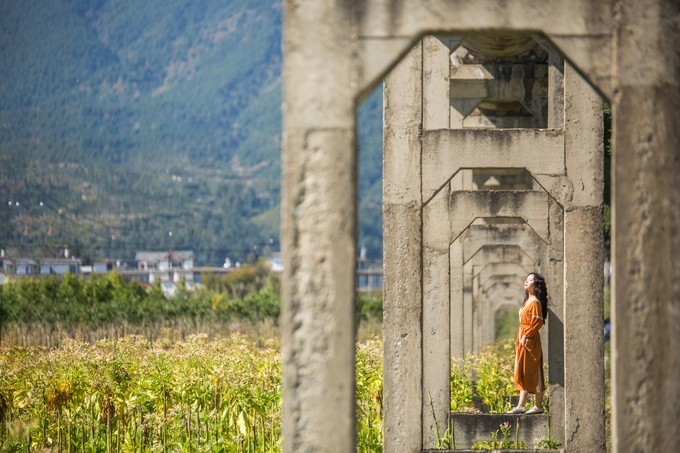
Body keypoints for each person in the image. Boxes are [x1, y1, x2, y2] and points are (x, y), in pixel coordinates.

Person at [507, 272, 548, 415]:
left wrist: (527, 335)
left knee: (533, 369)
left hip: (530, 341)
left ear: (535, 285)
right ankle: (521, 405)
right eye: (526, 279)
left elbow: (538, 321)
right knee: (523, 370)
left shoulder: (535, 302)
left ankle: (537, 406)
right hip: (523, 338)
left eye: (529, 280)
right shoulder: (527, 301)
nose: (525, 281)